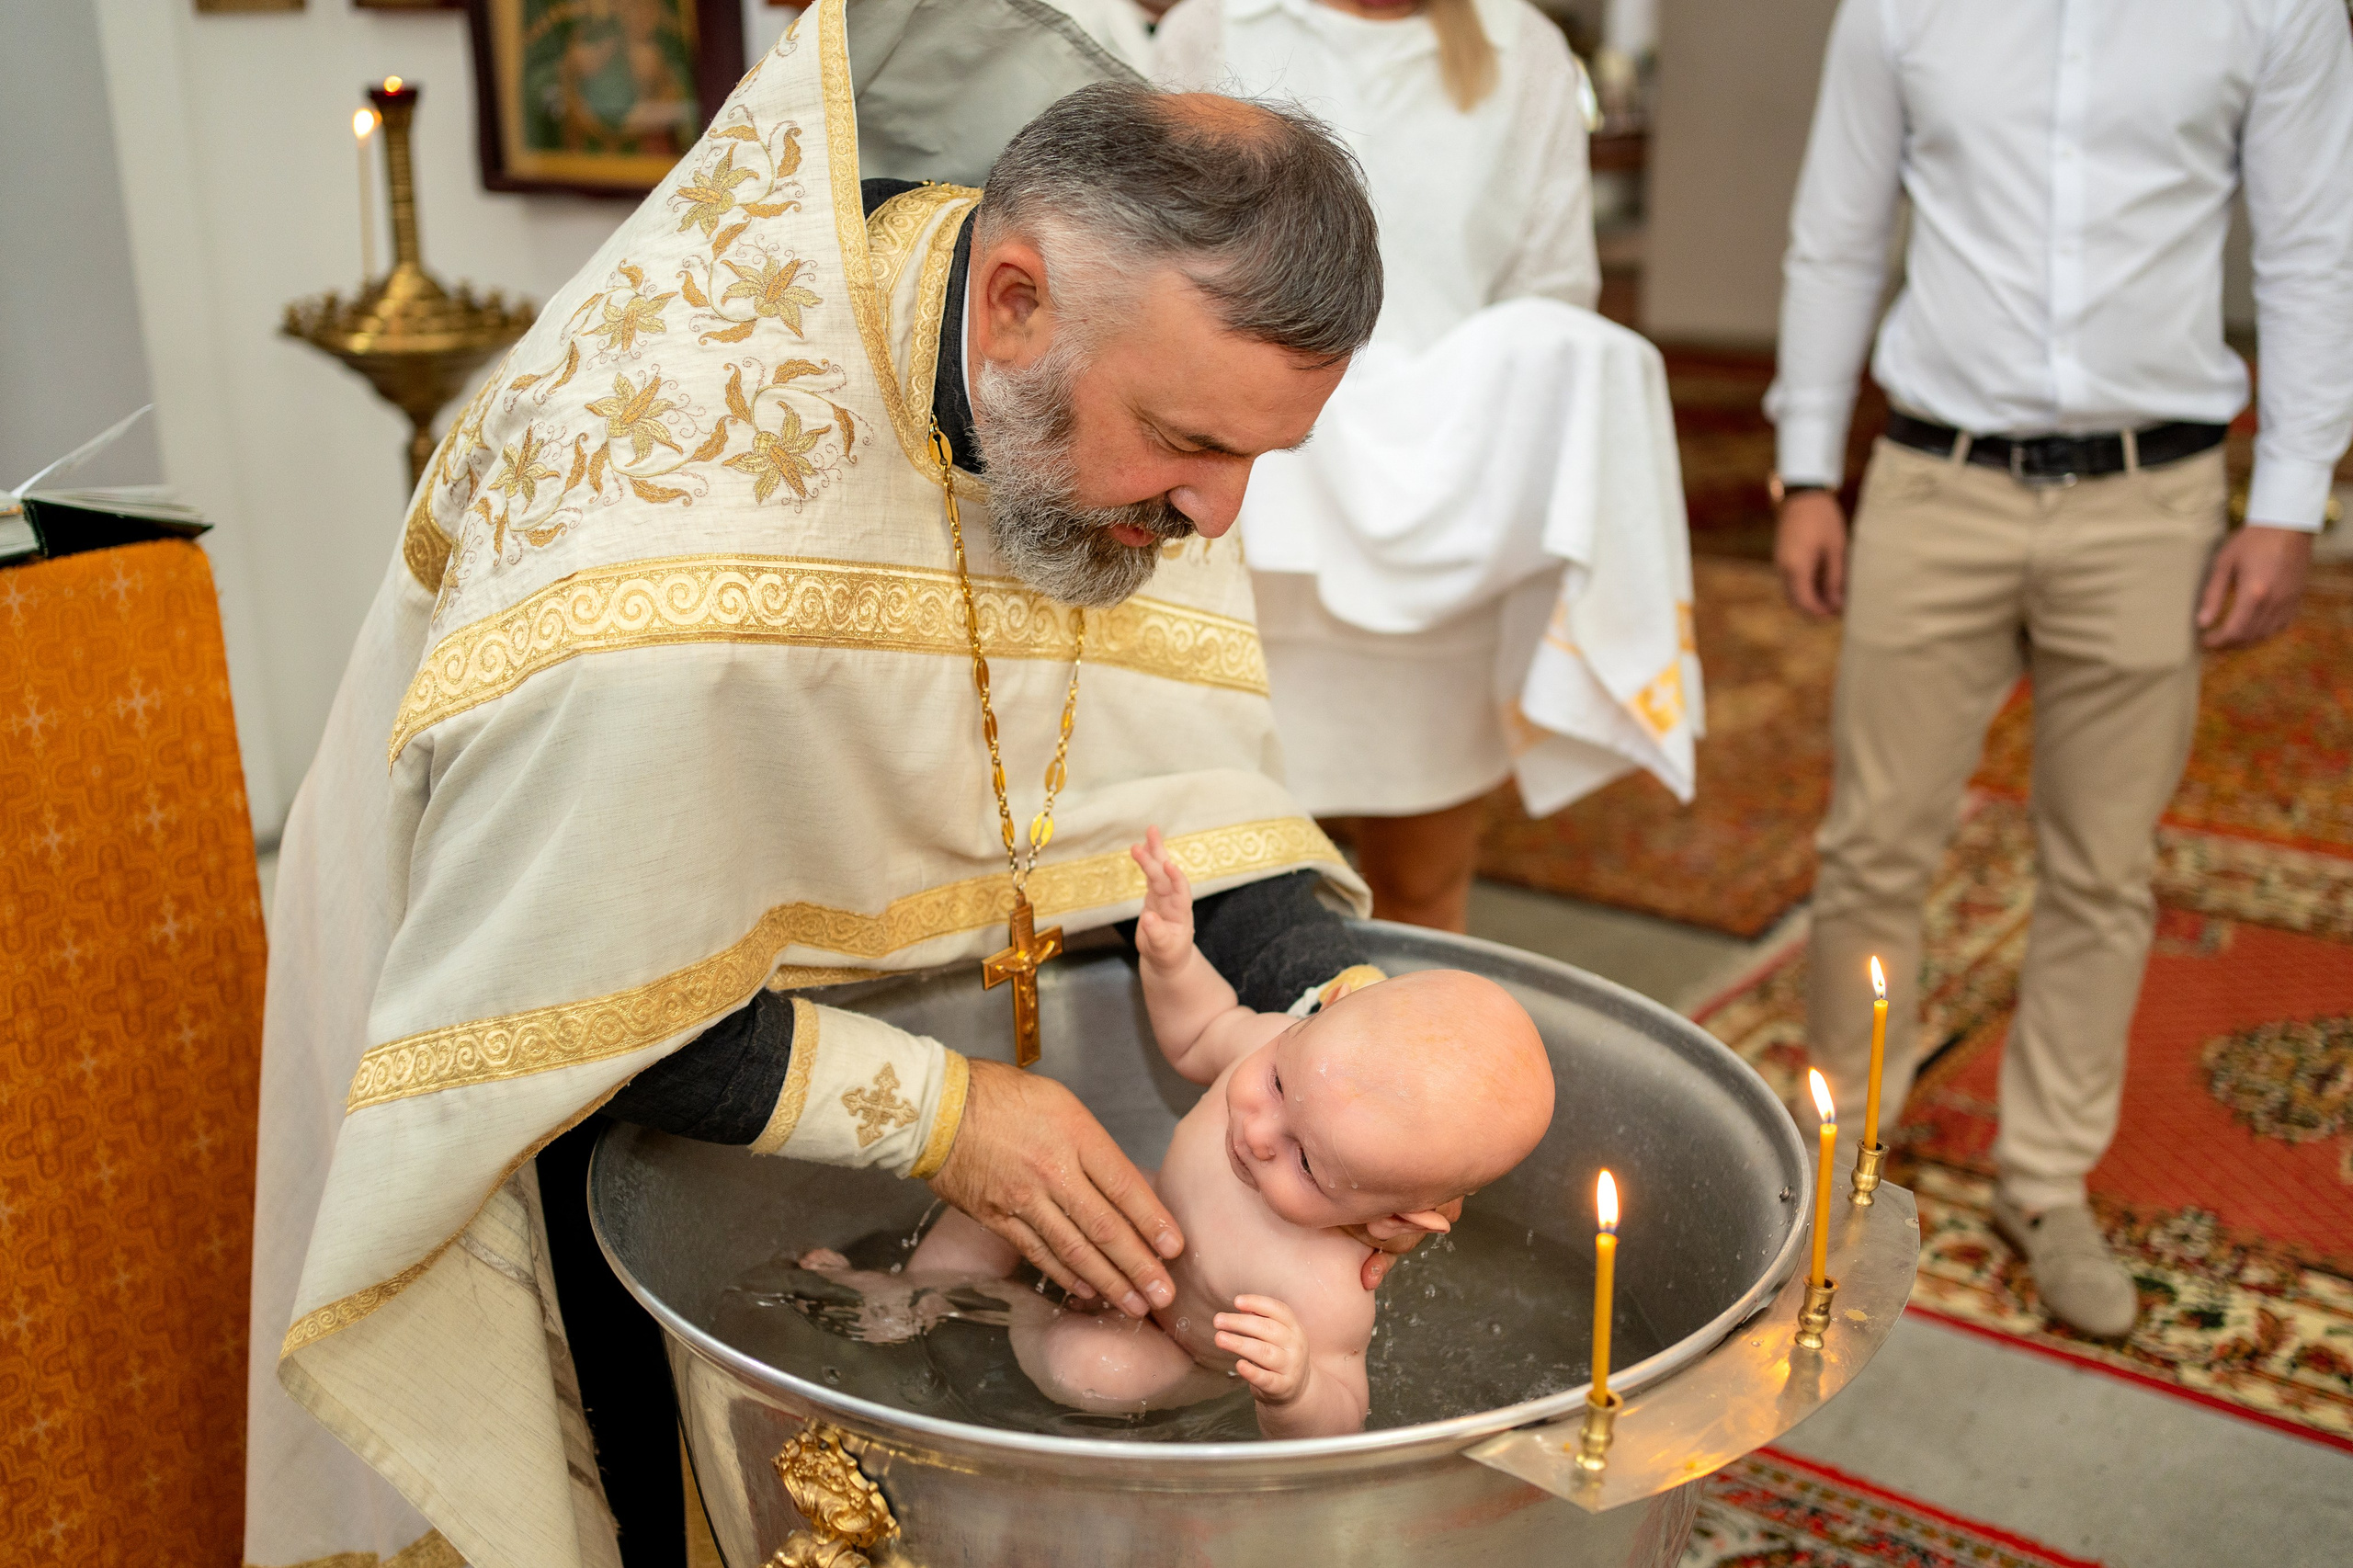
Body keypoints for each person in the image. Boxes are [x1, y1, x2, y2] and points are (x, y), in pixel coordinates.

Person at [243, 6, 1412, 1564]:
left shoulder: (1115, 410)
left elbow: (1198, 819)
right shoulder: (649, 541)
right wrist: (949, 1113)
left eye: (1264, 460)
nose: (1217, 515)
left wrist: (1366, 1039)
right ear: (1012, 307)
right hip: (607, 1129)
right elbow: (558, 1007)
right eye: (1194, 445)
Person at [1768, 0, 2353, 1338]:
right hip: (1936, 481)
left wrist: (2292, 498)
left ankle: (2047, 1182)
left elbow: (2319, 247)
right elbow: (1839, 234)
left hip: (2152, 496)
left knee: (2102, 863)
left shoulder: (2277, 10)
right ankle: (1837, 1163)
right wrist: (1809, 466)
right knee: (1873, 843)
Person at [1157, 0, 1703, 934]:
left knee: (1418, 897)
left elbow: (1552, 291)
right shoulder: (1214, 29)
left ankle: (1409, 1078)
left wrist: (1422, 417)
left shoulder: (1516, 46)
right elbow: (1152, 264)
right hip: (1256, 535)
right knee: (1229, 897)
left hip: (1446, 530)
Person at [879, 832, 1553, 1438]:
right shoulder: (1274, 1041)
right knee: (1028, 1186)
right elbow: (1203, 1030)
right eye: (1278, 1087)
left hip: (1178, 1346)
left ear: (1397, 1217)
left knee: (1097, 1369)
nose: (1259, 1133)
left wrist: (1296, 1391)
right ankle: (917, 1294)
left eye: (1308, 1165)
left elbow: (1345, 1417)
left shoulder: (1326, 1290)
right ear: (1327, 1009)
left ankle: (1006, 1307)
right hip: (1142, 1215)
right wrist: (1172, 959)